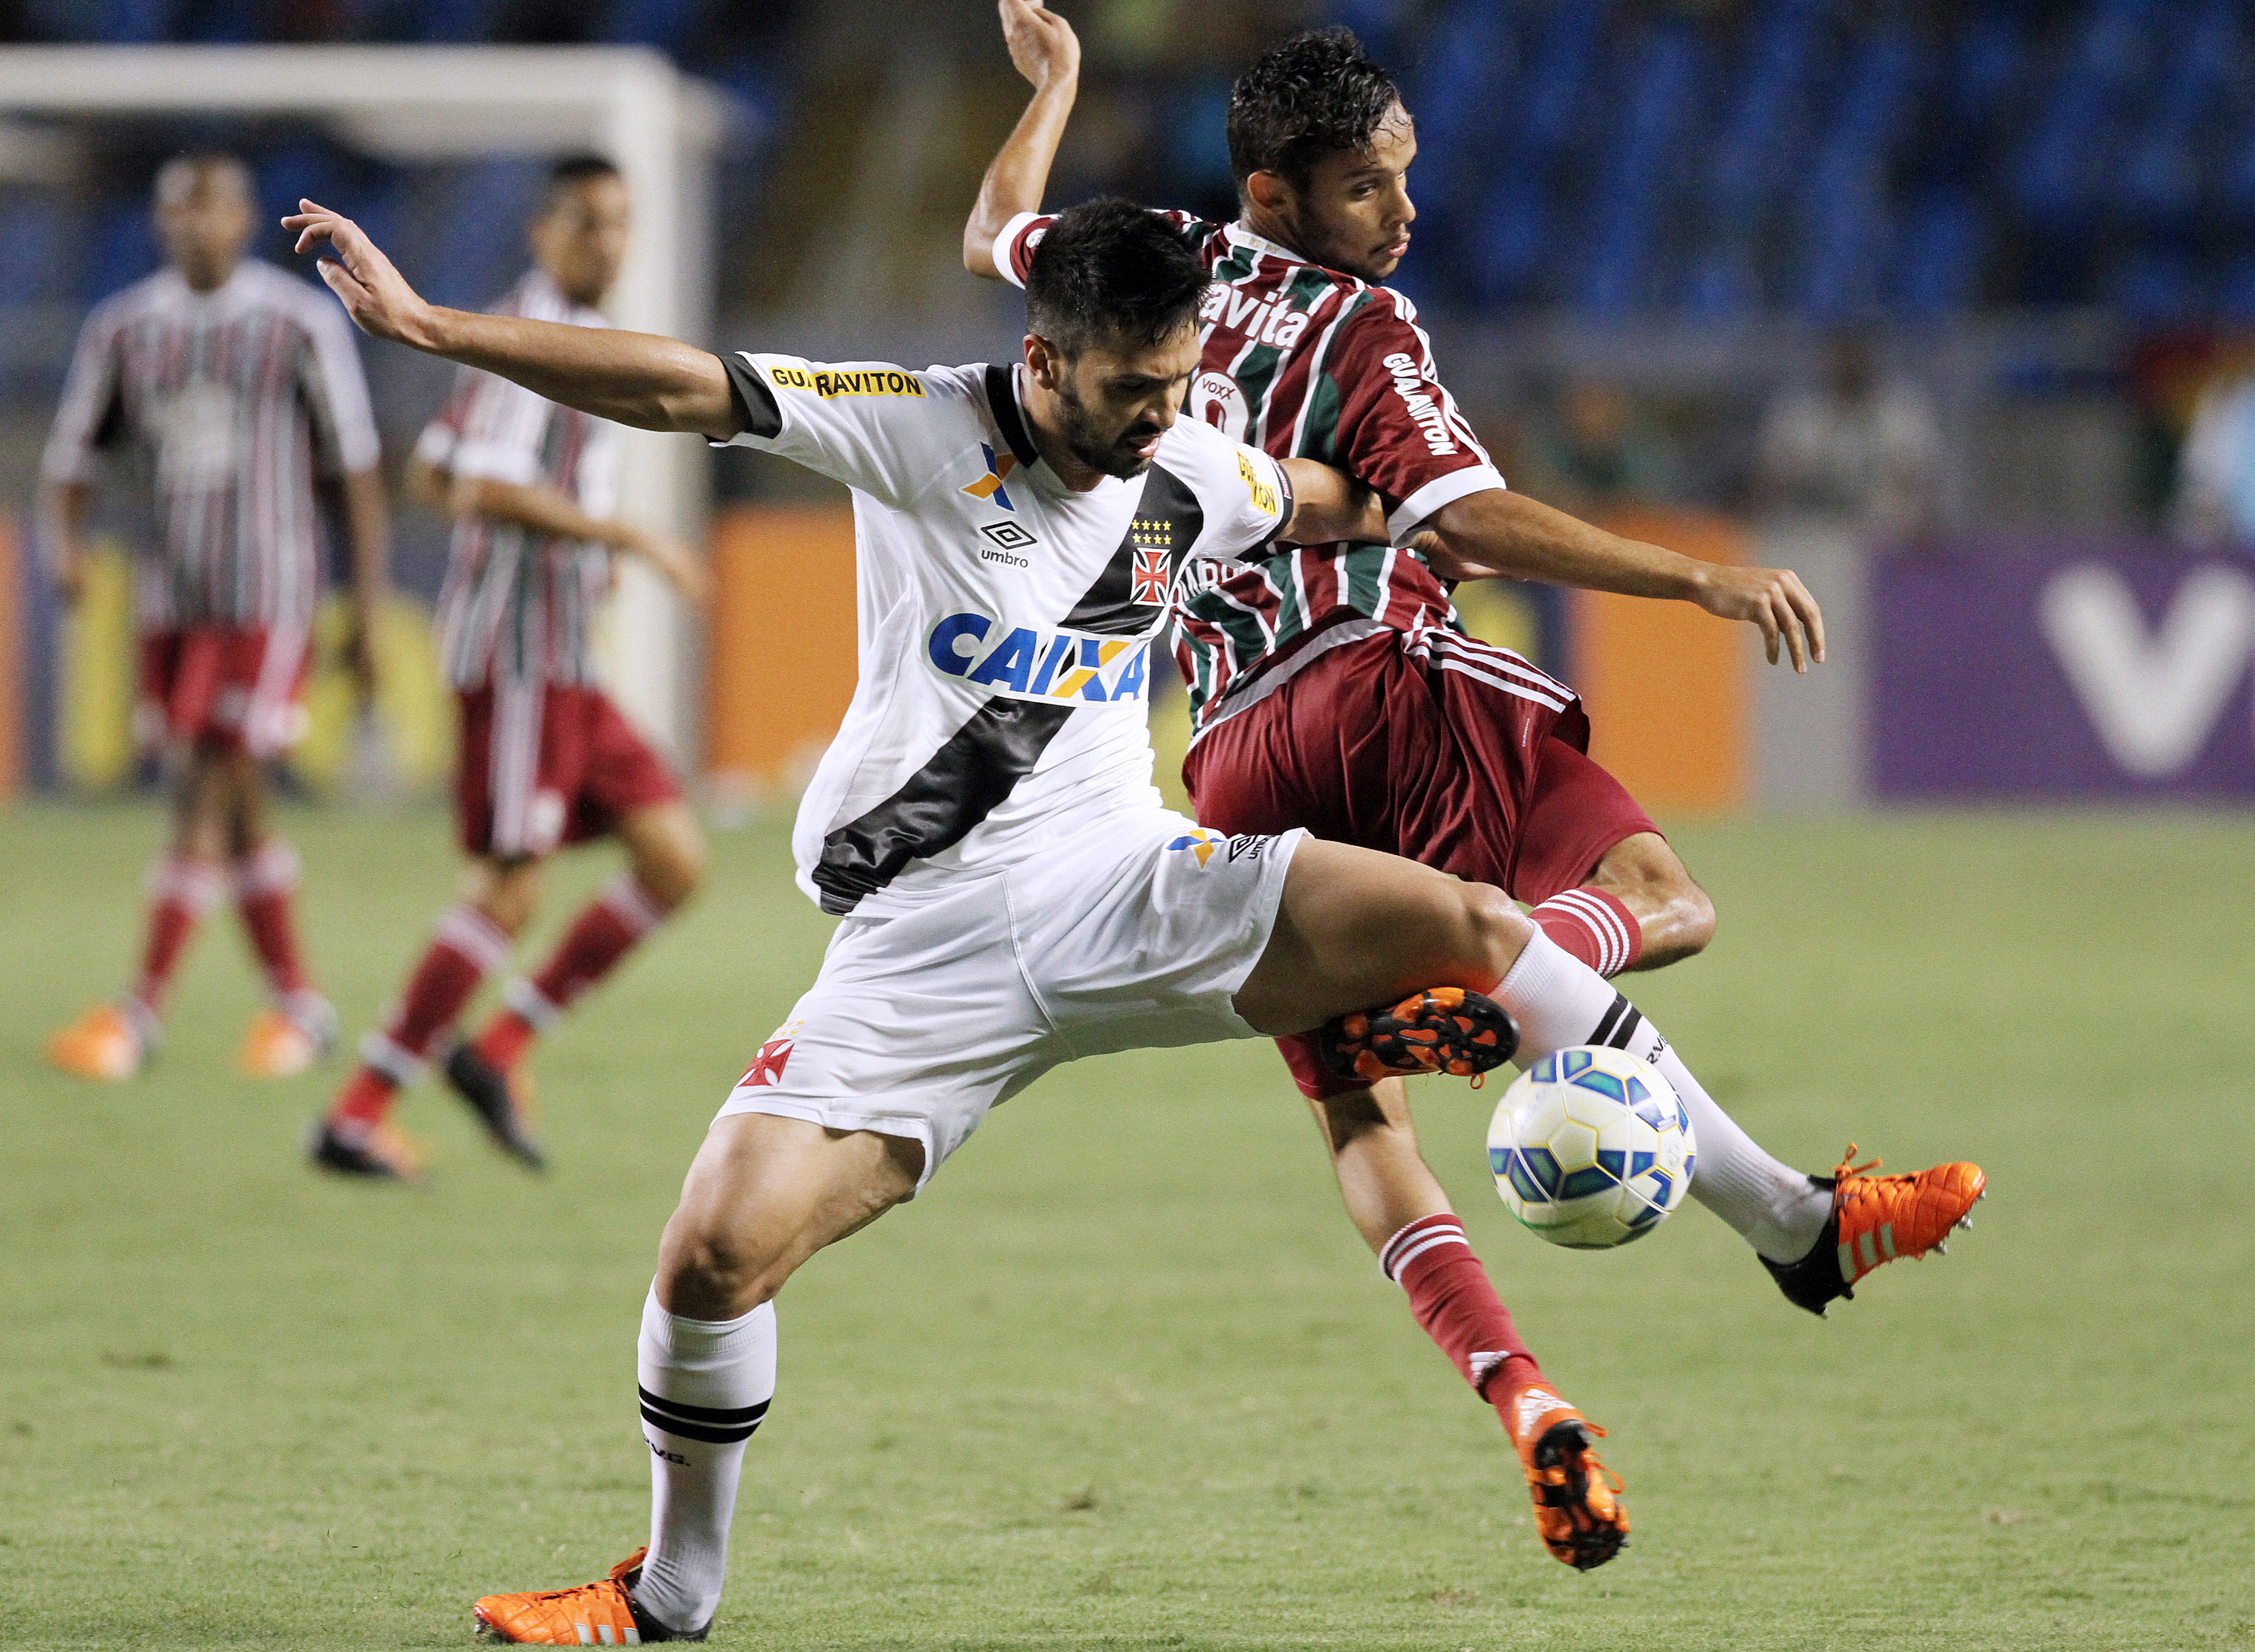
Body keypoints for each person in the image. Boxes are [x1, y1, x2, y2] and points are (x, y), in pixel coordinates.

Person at [284, 180, 1971, 1620]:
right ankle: (669, 1598)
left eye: (1172, 384)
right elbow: (678, 387)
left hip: (1126, 879)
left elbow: (1311, 495)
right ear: (1038, 360)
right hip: (919, 945)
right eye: (1118, 389)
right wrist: (437, 332)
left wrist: (1396, 518)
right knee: (714, 1258)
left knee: (1476, 926)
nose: (1151, 418)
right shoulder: (913, 421)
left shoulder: (1190, 458)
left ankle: (1792, 1227)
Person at [963, 8, 1978, 1373]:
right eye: (1366, 185)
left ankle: (1737, 1258)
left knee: (1358, 1114)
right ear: (1277, 194)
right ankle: (1490, 994)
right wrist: (1697, 577)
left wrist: (1059, 82)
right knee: (1659, 899)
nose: (1403, 208)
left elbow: (993, 232)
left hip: (1228, 753)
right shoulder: (1364, 328)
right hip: (1380, 685)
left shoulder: (1155, 262)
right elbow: (1468, 523)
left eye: (1404, 172)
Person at [310, 155, 711, 1180]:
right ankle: (356, 1115)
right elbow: (485, 485)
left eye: (620, 222)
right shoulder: (529, 328)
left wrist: (571, 539)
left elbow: (438, 465)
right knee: (503, 893)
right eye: (585, 221)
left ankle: (498, 1048)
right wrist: (624, 538)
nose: (605, 242)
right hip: (521, 656)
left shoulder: (544, 339)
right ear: (541, 230)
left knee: (674, 861)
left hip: (566, 658)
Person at [43, 152, 388, 1083]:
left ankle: (139, 1012)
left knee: (207, 775)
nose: (199, 225)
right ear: (162, 224)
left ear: (244, 220)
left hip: (269, 593)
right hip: (173, 598)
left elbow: (353, 466)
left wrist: (363, 599)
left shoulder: (298, 322)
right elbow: (72, 450)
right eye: (182, 210)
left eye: (218, 208)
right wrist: (64, 542)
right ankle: (299, 1007)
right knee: (234, 806)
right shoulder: (126, 329)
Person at [1754, 330, 1942, 537]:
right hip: (1813, 526)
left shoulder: (1903, 410)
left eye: (1856, 360)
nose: (1849, 368)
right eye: (1841, 361)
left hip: (1883, 530)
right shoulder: (1800, 413)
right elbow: (1775, 478)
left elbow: (1918, 477)